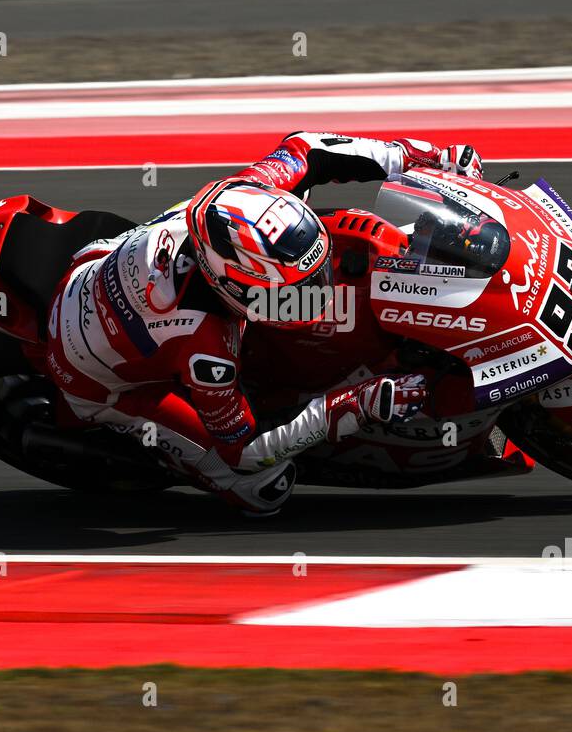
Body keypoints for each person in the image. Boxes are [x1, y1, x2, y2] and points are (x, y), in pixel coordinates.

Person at [43, 132, 484, 515]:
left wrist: (420, 156)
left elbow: (309, 149)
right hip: (96, 380)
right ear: (232, 288)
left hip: (98, 260)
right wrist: (352, 406)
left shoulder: (243, 193)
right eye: (291, 291)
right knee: (261, 487)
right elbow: (246, 449)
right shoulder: (205, 348)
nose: (318, 293)